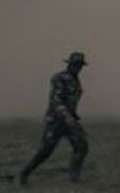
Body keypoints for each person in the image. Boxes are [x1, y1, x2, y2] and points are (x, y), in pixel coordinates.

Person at [17, 52, 90, 185]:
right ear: (70, 64)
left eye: (80, 65)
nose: (78, 68)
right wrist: (67, 117)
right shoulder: (59, 78)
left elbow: (71, 101)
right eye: (75, 65)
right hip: (56, 120)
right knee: (45, 151)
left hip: (70, 121)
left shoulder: (75, 80)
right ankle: (24, 173)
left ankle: (74, 177)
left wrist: (72, 117)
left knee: (82, 146)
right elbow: (56, 101)